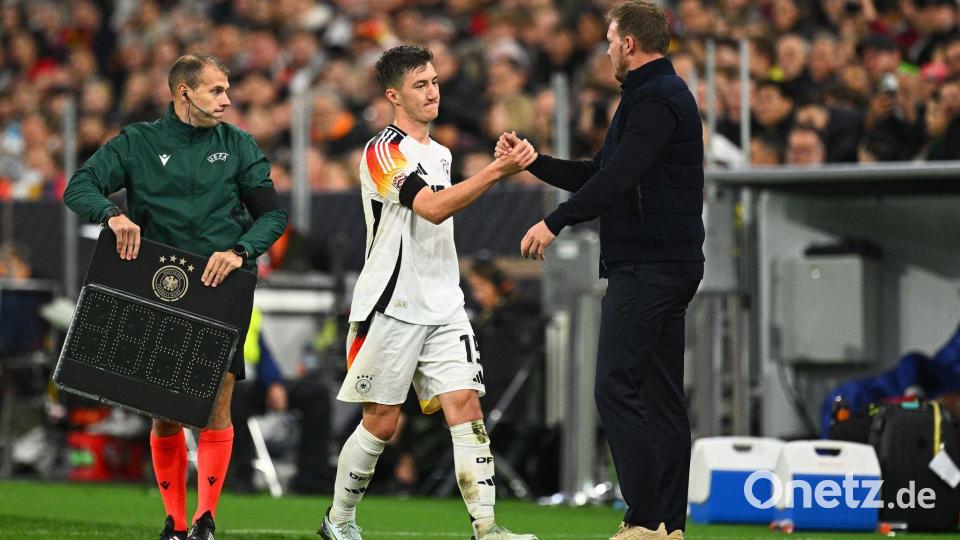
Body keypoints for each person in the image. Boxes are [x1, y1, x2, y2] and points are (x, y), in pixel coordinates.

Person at [497, 2, 704, 538]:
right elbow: (602, 172)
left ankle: (645, 520)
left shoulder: (656, 99)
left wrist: (555, 222)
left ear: (630, 44)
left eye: (611, 40)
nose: (607, 50)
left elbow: (616, 180)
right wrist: (534, 161)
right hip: (661, 263)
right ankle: (668, 526)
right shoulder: (651, 95)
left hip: (652, 266)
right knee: (659, 396)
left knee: (615, 384)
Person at [63, 53, 287, 540]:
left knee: (216, 405)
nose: (227, 99)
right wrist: (112, 215)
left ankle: (206, 519)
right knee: (163, 408)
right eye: (216, 91)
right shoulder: (139, 142)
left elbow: (273, 216)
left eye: (228, 89)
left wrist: (240, 250)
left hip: (221, 284)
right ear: (184, 92)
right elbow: (78, 185)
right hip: (159, 284)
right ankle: (175, 522)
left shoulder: (239, 145)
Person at [318, 45, 538, 540]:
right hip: (391, 304)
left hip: (444, 302)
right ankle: (339, 520)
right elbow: (433, 209)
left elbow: (444, 208)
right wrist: (495, 173)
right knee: (382, 422)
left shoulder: (441, 153)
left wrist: (490, 169)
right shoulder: (381, 151)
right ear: (394, 96)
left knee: (466, 405)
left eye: (435, 81)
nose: (433, 91)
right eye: (421, 85)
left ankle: (487, 528)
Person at [229, 307, 332, 495]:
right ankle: (238, 477)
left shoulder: (249, 307)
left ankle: (311, 479)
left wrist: (274, 383)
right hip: (223, 387)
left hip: (251, 384)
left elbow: (263, 353)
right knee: (236, 398)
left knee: (316, 394)